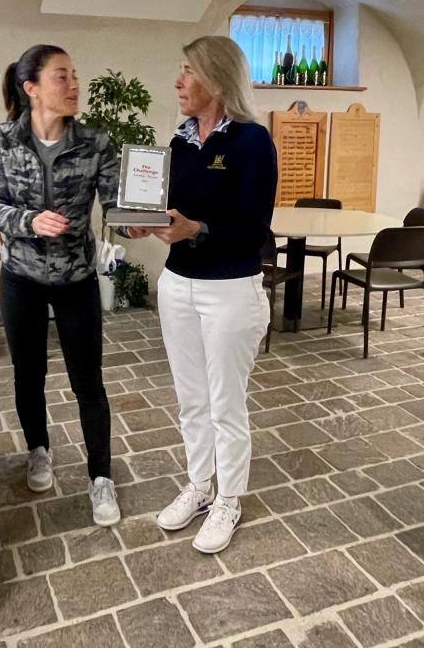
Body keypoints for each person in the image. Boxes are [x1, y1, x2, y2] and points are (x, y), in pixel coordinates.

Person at [133, 36, 277, 553]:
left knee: (225, 403)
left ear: (216, 79)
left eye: (188, 70)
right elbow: (168, 209)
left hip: (230, 290)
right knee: (191, 399)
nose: (178, 81)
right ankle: (199, 487)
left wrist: (197, 229)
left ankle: (229, 500)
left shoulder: (252, 141)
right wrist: (143, 222)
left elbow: (254, 229)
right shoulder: (178, 142)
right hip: (178, 285)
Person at [0, 44, 121, 526]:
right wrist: (29, 221)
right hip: (20, 276)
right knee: (28, 373)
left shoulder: (95, 143)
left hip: (76, 278)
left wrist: (139, 221)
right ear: (32, 88)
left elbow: (115, 205)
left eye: (75, 75)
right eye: (62, 76)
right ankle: (38, 450)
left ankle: (101, 477)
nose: (75, 84)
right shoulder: (4, 140)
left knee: (89, 382)